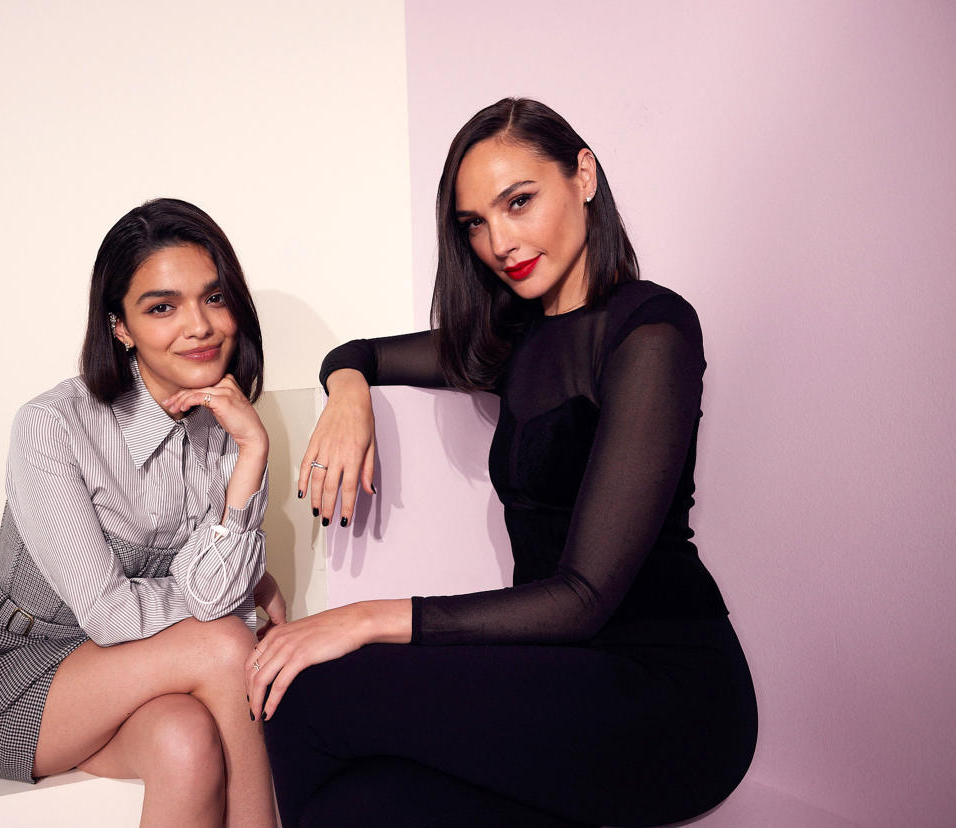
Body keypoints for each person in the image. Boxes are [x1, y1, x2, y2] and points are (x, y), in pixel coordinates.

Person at [248, 99, 758, 828]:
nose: (498, 242)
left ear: (582, 174)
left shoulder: (650, 329)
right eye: (474, 224)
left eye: (518, 202)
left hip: (664, 695)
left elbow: (584, 595)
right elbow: (358, 353)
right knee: (360, 804)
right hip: (556, 677)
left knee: (311, 691)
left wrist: (361, 618)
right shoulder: (511, 340)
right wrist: (347, 390)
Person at [0, 198, 283, 827]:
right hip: (18, 675)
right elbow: (113, 614)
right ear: (120, 326)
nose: (198, 326)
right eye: (162, 307)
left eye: (215, 298)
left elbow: (213, 592)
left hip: (151, 673)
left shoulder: (233, 426)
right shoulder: (52, 427)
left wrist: (253, 451)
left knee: (185, 743)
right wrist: (241, 597)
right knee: (228, 642)